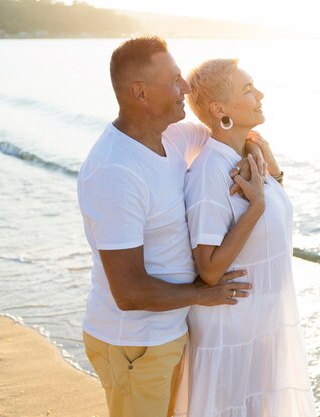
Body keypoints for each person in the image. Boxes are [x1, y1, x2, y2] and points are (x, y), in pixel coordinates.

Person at [77, 37, 260, 417]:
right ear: (139, 92)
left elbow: (234, 133)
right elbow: (128, 292)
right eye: (175, 80)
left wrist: (258, 160)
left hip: (168, 333)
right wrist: (202, 294)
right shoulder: (116, 172)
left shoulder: (172, 137)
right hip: (133, 343)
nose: (187, 88)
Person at [174, 59, 317, 417]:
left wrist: (270, 166)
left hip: (262, 323)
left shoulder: (248, 155)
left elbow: (276, 216)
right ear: (219, 109)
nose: (260, 95)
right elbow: (208, 269)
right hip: (231, 331)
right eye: (248, 90)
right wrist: (255, 208)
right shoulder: (209, 172)